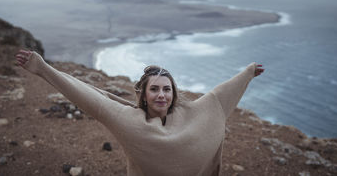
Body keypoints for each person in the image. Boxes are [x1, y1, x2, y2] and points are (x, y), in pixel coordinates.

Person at [16, 49, 264, 176]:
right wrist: (43, 68)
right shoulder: (129, 121)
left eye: (167, 89)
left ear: (173, 93)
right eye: (154, 89)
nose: (161, 95)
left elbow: (219, 98)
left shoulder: (194, 113)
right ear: (143, 95)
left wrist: (247, 74)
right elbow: (90, 97)